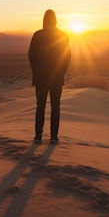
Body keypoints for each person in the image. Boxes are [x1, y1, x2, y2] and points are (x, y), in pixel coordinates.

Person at [28, 9, 71, 144]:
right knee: (55, 106)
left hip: (41, 77)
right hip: (56, 77)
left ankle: (38, 136)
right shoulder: (63, 36)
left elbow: (31, 56)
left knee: (40, 106)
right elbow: (67, 58)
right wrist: (61, 72)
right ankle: (53, 136)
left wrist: (36, 71)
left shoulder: (37, 35)